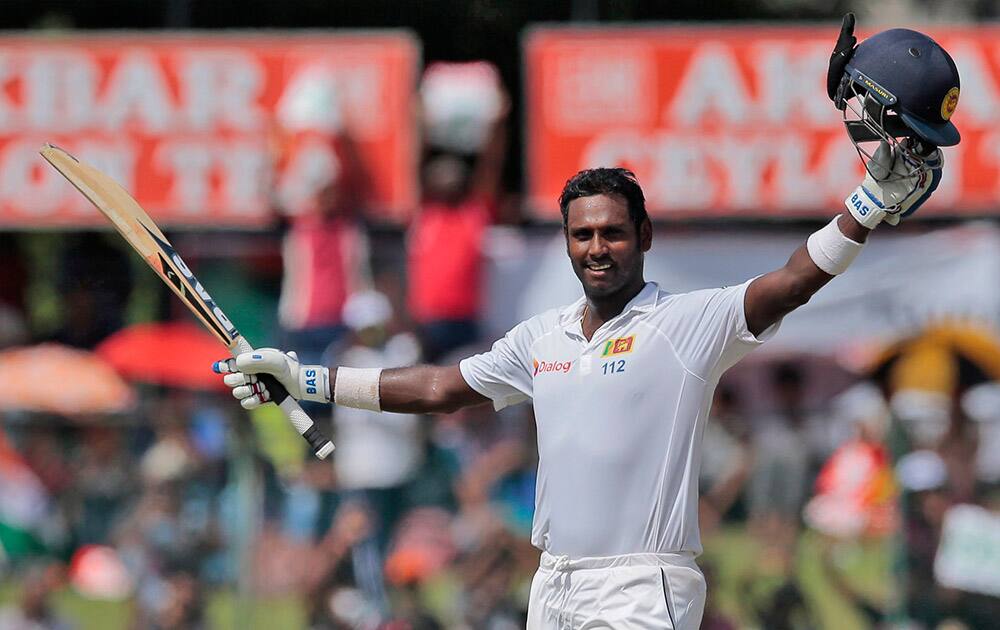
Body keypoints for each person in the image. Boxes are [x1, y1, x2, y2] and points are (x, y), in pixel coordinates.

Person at [216, 18, 957, 629]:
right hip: (556, 587)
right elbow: (438, 387)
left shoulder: (686, 324)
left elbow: (792, 281)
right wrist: (304, 378)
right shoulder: (541, 338)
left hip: (645, 589)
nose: (597, 248)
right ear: (567, 243)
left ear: (644, 238)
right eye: (582, 235)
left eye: (612, 233)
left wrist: (863, 207)